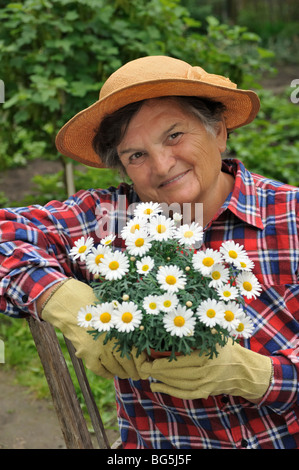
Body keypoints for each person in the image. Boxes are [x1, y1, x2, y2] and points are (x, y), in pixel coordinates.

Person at [0, 56, 298, 449]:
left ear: (219, 132)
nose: (161, 165)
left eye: (174, 135)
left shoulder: (289, 216)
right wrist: (63, 300)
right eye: (135, 155)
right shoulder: (111, 220)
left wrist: (258, 375)